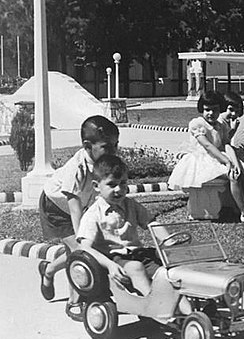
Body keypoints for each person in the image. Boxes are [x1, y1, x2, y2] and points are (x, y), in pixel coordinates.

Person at [37, 115, 120, 321]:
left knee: (86, 248)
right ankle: (76, 301)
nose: (114, 151)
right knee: (81, 252)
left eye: (116, 145)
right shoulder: (77, 168)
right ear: (87, 146)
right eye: (107, 146)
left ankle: (48, 270)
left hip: (78, 206)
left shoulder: (103, 163)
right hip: (56, 207)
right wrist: (83, 240)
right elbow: (74, 210)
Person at [168, 90, 244, 225]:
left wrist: (234, 162)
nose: (211, 113)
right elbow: (207, 146)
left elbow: (226, 144)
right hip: (203, 160)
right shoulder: (197, 124)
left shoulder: (220, 125)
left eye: (215, 110)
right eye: (207, 110)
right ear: (201, 109)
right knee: (233, 176)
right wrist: (227, 162)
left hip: (218, 157)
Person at [77, 155, 164, 297]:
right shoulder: (93, 214)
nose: (118, 189)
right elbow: (85, 247)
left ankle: (186, 310)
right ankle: (152, 303)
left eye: (123, 183)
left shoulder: (131, 205)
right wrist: (110, 265)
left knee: (167, 268)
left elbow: (151, 224)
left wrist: (169, 241)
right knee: (136, 268)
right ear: (96, 186)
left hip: (138, 254)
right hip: (115, 258)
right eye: (112, 184)